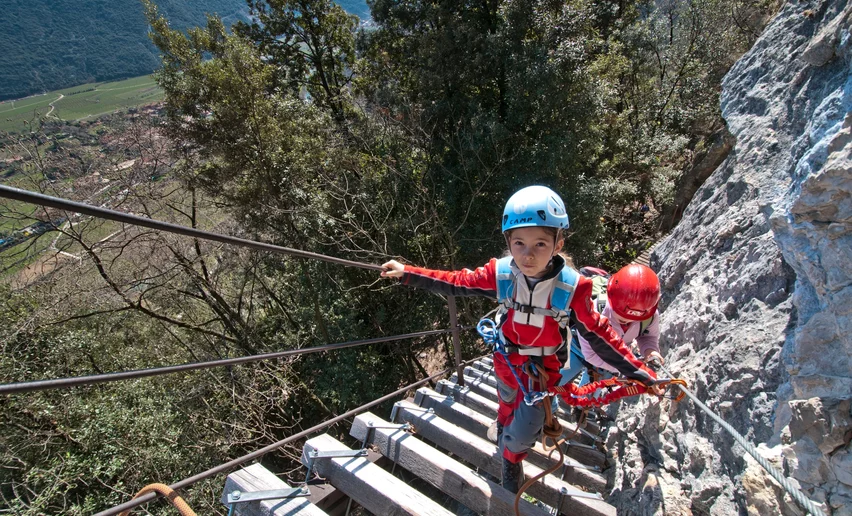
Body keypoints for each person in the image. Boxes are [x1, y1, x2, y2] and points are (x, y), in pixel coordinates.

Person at [381, 185, 659, 493]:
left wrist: (641, 374)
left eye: (540, 243)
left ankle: (511, 460)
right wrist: (407, 272)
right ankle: (504, 428)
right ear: (509, 243)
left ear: (558, 243)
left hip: (541, 371)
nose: (527, 255)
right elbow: (457, 283)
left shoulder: (571, 289)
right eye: (519, 243)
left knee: (525, 430)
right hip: (505, 359)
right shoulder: (500, 275)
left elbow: (601, 336)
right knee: (506, 401)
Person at [575, 264, 664, 375]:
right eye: (622, 316)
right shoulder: (592, 311)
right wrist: (630, 367)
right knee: (559, 383)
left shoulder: (649, 316)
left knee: (592, 387)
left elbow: (648, 336)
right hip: (579, 349)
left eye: (635, 319)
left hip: (616, 358)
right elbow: (591, 355)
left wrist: (650, 351)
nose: (627, 321)